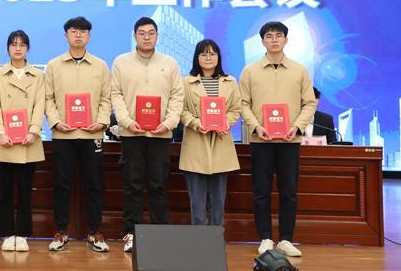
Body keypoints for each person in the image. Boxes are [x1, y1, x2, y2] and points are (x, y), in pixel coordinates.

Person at [240, 21, 317, 257]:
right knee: (261, 191)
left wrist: (297, 127)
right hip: (261, 141)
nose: (274, 39)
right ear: (262, 41)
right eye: (269, 36)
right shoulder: (250, 71)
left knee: (289, 192)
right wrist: (256, 126)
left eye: (279, 35)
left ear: (286, 39)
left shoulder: (299, 70)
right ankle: (265, 238)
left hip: (289, 141)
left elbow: (309, 103)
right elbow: (243, 104)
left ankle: (285, 239)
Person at [110, 16, 184, 252]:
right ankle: (130, 234)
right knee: (132, 185)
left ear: (157, 36)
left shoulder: (169, 63)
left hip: (160, 134)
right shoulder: (121, 62)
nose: (146, 37)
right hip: (131, 133)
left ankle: (159, 234)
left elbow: (177, 96)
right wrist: (126, 122)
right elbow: (115, 94)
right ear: (135, 36)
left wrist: (169, 123)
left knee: (157, 185)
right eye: (142, 33)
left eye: (151, 33)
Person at [45, 17, 111, 253]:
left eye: (83, 31)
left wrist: (101, 122)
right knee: (62, 184)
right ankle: (61, 231)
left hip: (93, 134)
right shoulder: (54, 65)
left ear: (89, 36)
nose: (78, 35)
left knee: (94, 184)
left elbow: (106, 98)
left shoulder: (100, 65)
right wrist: (56, 122)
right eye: (74, 31)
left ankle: (95, 231)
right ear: (66, 36)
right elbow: (48, 98)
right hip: (64, 135)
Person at [0, 30, 45, 252]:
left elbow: (40, 105)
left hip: (29, 141)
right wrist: (0, 132)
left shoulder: (37, 75)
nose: (17, 48)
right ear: (8, 48)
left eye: (22, 44)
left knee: (25, 192)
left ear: (28, 48)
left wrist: (34, 131)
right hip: (4, 141)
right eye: (13, 44)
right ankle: (7, 233)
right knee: (4, 192)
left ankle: (22, 234)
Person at [179, 39, 241, 226]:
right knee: (197, 204)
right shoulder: (185, 82)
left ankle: (216, 238)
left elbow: (236, 109)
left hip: (221, 144)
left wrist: (226, 123)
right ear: (196, 57)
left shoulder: (230, 82)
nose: (208, 57)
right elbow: (181, 110)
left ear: (219, 57)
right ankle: (199, 239)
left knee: (218, 204)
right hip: (196, 144)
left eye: (212, 54)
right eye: (203, 54)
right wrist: (196, 123)